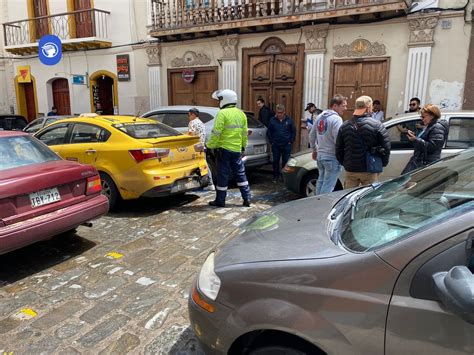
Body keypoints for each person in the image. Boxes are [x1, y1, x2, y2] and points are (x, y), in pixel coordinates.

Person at [206, 89, 251, 207]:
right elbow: (244, 133)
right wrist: (242, 147)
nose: (218, 102)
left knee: (223, 176)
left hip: (224, 150)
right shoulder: (241, 114)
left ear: (225, 99)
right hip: (236, 150)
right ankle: (247, 199)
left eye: (219, 100)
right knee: (241, 174)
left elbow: (216, 133)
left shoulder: (222, 113)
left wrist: (209, 145)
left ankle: (220, 201)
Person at [336, 95, 391, 188]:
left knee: (348, 197)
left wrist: (345, 163)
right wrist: (383, 163)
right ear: (369, 108)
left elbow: (338, 148)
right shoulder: (377, 125)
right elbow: (386, 146)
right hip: (369, 169)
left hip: (351, 170)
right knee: (369, 198)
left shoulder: (345, 126)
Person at [308, 94, 347, 195]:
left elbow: (312, 136)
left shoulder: (320, 117)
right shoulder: (336, 119)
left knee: (321, 182)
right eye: (343, 106)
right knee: (328, 186)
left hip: (321, 156)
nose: (345, 108)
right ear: (335, 106)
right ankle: (322, 207)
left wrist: (315, 150)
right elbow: (338, 140)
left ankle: (317, 204)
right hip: (331, 157)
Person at [401, 104, 448, 174]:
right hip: (418, 161)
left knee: (406, 182)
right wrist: (413, 138)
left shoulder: (437, 127)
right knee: (404, 181)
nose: (422, 119)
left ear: (432, 116)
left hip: (425, 163)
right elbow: (422, 142)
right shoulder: (428, 126)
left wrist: (415, 139)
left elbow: (432, 147)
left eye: (423, 117)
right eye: (421, 117)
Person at [267, 104, 296, 183]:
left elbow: (293, 131)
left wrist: (291, 141)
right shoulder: (272, 120)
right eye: (278, 112)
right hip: (276, 145)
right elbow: (269, 132)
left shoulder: (289, 120)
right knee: (275, 161)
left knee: (286, 161)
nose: (279, 114)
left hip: (286, 145)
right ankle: (276, 176)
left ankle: (284, 177)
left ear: (284, 112)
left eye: (281, 112)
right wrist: (271, 142)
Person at [188, 108, 214, 191]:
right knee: (204, 165)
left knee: (193, 166)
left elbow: (190, 135)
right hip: (202, 147)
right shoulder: (201, 123)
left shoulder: (192, 123)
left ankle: (208, 183)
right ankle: (209, 183)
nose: (188, 117)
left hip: (194, 148)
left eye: (189, 115)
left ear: (193, 114)